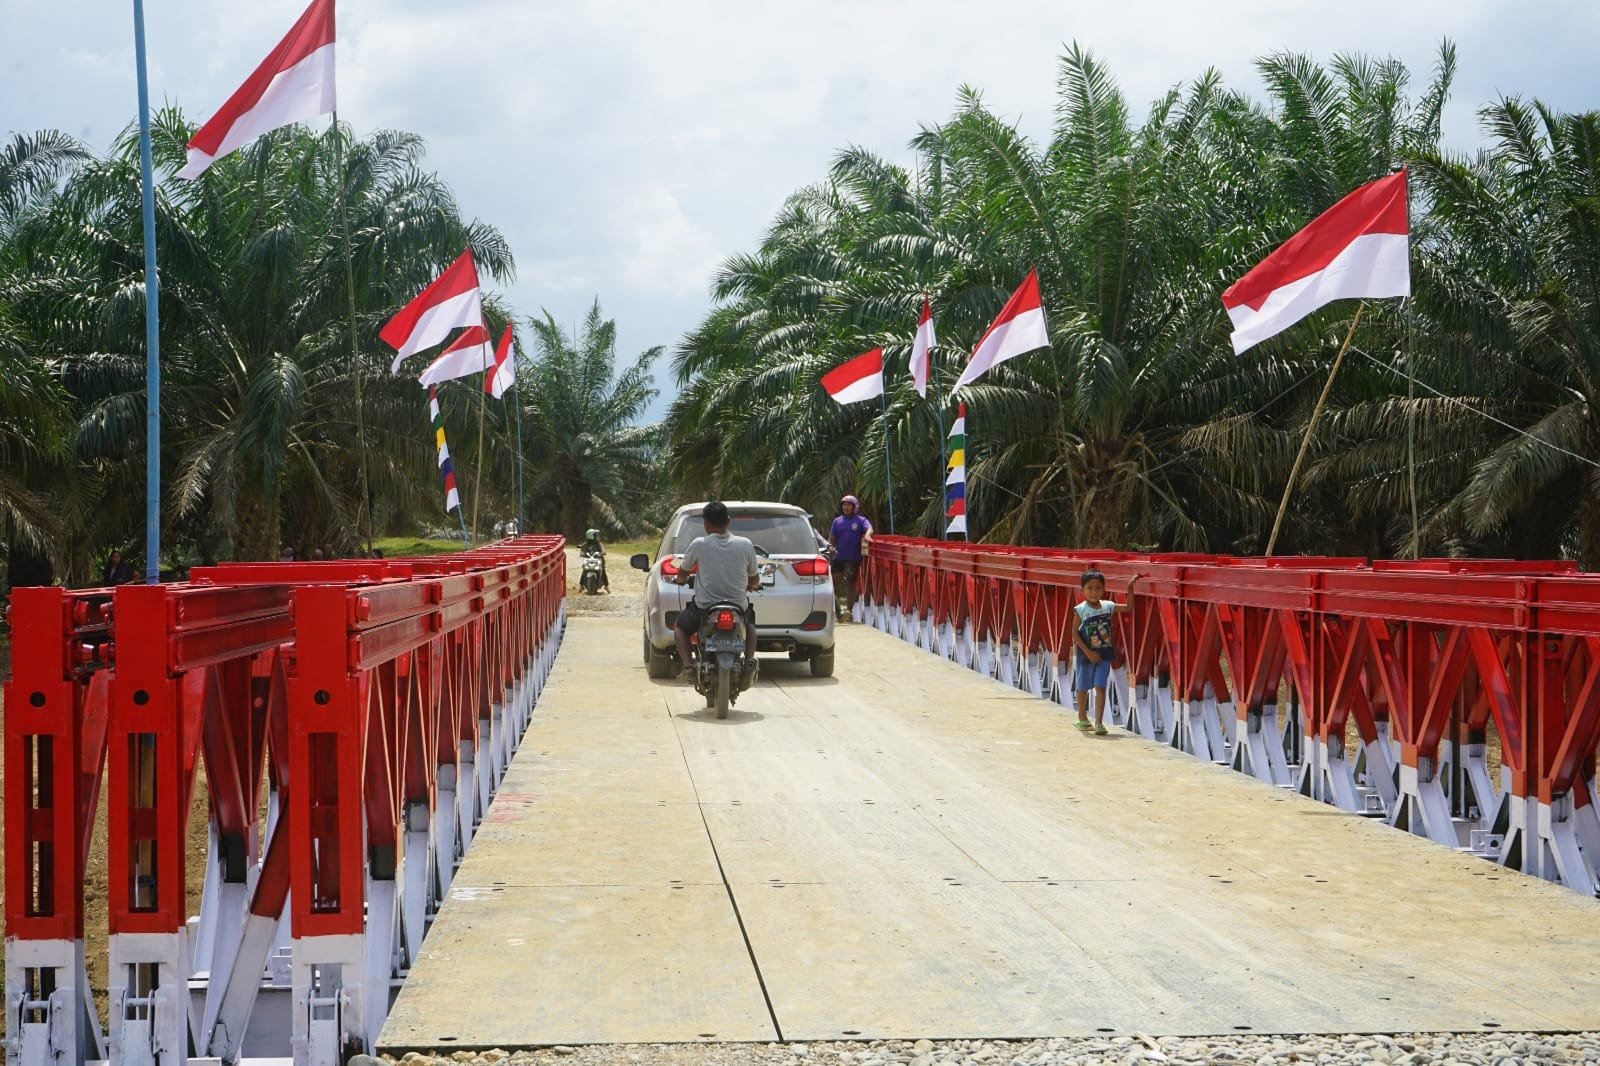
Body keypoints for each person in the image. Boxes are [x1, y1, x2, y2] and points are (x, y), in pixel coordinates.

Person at [671, 501, 759, 684]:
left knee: (680, 628)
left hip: (704, 607)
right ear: (728, 521)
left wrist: (680, 580)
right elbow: (754, 580)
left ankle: (688, 666)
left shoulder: (699, 544)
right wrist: (752, 585)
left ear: (706, 523)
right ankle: (750, 660)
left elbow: (682, 574)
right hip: (738, 606)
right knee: (750, 624)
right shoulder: (745, 544)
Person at [1072, 568, 1142, 735]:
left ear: (1104, 589)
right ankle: (1082, 718)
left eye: (1098, 588)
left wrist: (1129, 587)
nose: (1094, 592)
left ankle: (1098, 723)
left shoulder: (1108, 606)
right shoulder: (1080, 609)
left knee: (1100, 686)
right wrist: (1088, 652)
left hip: (1104, 653)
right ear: (1082, 590)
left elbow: (1128, 607)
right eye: (1089, 588)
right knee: (1083, 687)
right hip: (1086, 655)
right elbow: (1074, 634)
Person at [827, 494, 873, 622]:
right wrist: (830, 547)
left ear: (854, 507)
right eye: (844, 505)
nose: (845, 507)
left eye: (848, 505)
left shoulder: (860, 520)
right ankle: (837, 611)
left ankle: (849, 611)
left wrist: (867, 535)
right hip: (838, 557)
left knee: (850, 583)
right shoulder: (837, 521)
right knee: (834, 583)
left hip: (853, 558)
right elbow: (832, 538)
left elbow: (869, 528)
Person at [580, 528, 609, 592]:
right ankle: (581, 585)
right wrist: (582, 554)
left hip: (598, 560)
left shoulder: (598, 543)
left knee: (603, 571)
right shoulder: (586, 544)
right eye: (596, 535)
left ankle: (606, 586)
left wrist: (602, 553)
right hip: (589, 560)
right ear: (591, 536)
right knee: (584, 570)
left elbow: (603, 550)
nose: (597, 536)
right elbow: (582, 550)